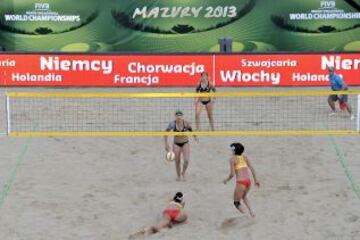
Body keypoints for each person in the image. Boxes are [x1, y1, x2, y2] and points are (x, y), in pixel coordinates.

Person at [223, 142, 260, 217]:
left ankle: (246, 216)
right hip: (248, 181)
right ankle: (252, 212)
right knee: (244, 197)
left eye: (231, 150)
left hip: (241, 182)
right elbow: (252, 168)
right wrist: (256, 180)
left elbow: (232, 174)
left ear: (234, 150)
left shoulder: (232, 159)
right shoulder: (245, 157)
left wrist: (226, 180)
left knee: (236, 203)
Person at [164, 110, 198, 181]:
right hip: (176, 143)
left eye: (180, 116)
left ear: (182, 116)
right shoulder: (172, 124)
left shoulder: (186, 123)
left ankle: (183, 173)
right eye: (177, 116)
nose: (179, 117)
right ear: (175, 116)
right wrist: (166, 143)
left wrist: (195, 136)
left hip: (185, 143)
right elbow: (165, 133)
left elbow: (191, 130)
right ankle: (178, 176)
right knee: (177, 161)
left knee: (186, 160)